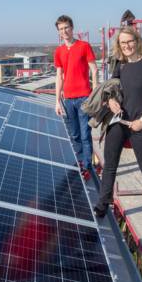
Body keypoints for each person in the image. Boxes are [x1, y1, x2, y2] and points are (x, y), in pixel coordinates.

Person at [93, 27, 142, 235]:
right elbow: (113, 91)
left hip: (140, 125)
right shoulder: (120, 64)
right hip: (119, 122)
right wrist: (111, 101)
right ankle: (102, 204)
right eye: (122, 43)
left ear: (137, 41)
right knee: (109, 166)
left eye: (130, 42)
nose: (127, 46)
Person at [54, 15, 98, 179]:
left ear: (72, 28)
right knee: (75, 134)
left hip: (84, 97)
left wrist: (94, 94)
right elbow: (59, 76)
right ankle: (81, 162)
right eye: (61, 29)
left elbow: (94, 69)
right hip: (68, 99)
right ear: (58, 32)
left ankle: (87, 167)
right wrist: (57, 101)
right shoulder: (58, 51)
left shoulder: (84, 46)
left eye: (66, 27)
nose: (64, 31)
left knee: (85, 134)